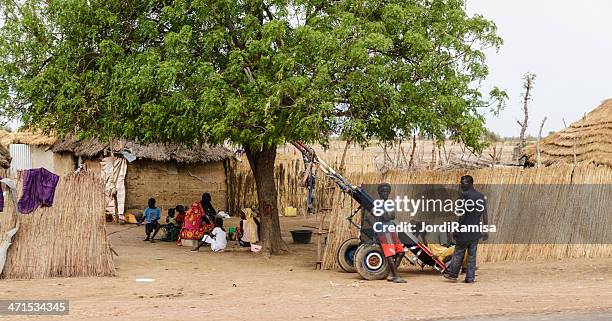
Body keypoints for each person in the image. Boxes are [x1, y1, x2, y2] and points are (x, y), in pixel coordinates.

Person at [444, 175, 488, 283]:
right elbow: (485, 214)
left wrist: (456, 230)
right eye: (461, 183)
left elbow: (461, 215)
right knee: (472, 256)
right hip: (475, 231)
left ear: (470, 183)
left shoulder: (463, 196)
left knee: (458, 253)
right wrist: (485, 229)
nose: (462, 185)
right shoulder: (480, 196)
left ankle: (453, 275)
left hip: (464, 231)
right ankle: (470, 278)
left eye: (463, 183)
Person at [376, 183, 406, 283]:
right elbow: (385, 217)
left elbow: (392, 216)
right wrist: (388, 215)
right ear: (379, 192)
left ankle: (391, 274)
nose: (386, 193)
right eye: (383, 191)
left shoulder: (389, 203)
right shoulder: (378, 204)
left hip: (391, 229)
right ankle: (395, 276)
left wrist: (387, 215)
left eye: (387, 191)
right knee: (390, 254)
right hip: (383, 230)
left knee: (401, 252)